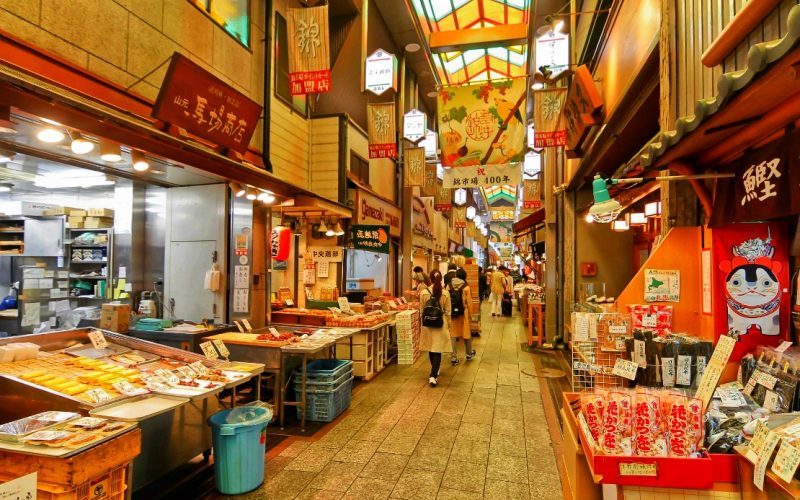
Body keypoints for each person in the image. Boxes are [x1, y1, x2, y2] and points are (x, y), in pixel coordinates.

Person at [419, 270, 451, 387]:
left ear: (431, 279)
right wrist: (449, 325)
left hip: (427, 323)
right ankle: (433, 375)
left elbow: (421, 310)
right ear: (440, 279)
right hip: (440, 323)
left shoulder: (423, 292)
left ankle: (434, 371)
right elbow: (448, 312)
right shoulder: (446, 293)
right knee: (437, 348)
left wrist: (421, 323)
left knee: (430, 347)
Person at [448, 268, 475, 365]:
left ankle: (453, 357)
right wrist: (471, 315)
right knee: (466, 333)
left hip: (452, 314)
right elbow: (470, 302)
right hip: (464, 313)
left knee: (453, 335)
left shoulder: (448, 286)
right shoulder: (466, 287)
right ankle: (468, 353)